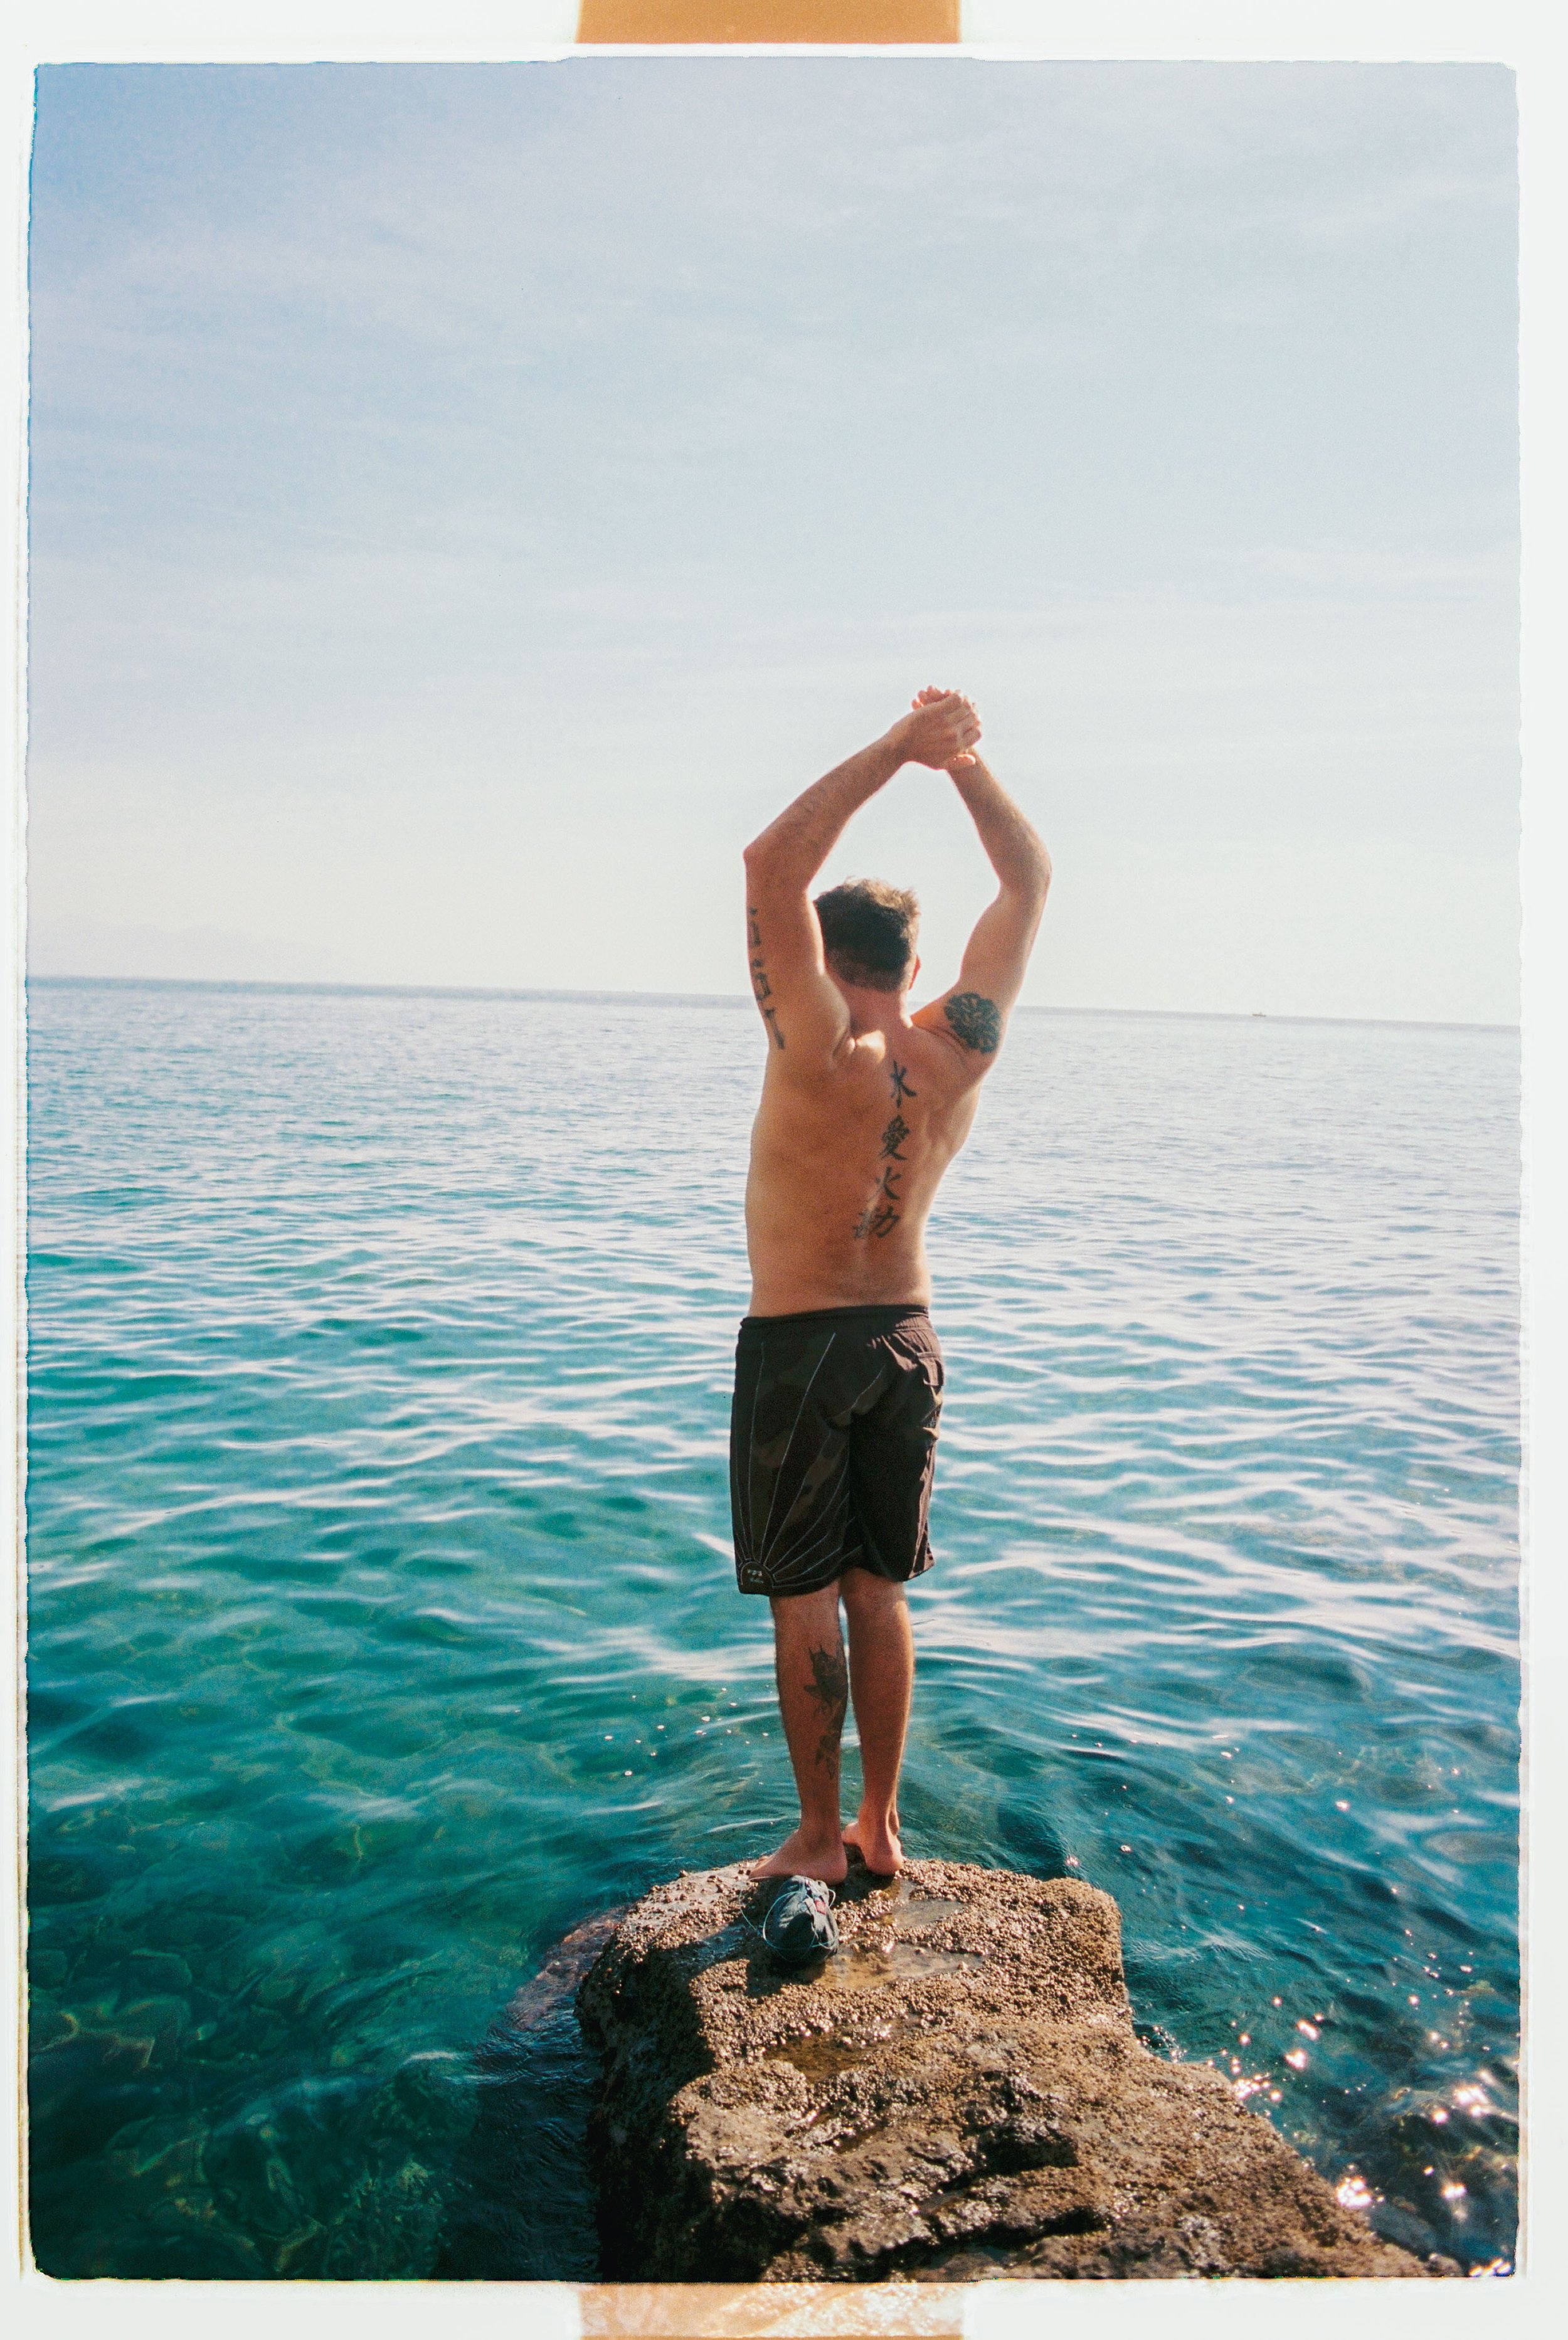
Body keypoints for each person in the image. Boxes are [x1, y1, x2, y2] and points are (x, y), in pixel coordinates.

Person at [733, 687, 1051, 1882]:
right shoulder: (958, 1046)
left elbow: (771, 860)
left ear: (820, 954)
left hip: (802, 1343)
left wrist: (897, 748)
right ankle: (885, 1828)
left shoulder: (812, 1042)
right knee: (878, 1587)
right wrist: (963, 763)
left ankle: (818, 1842)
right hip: (909, 1339)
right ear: (916, 963)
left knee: (803, 1590)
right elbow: (1026, 887)